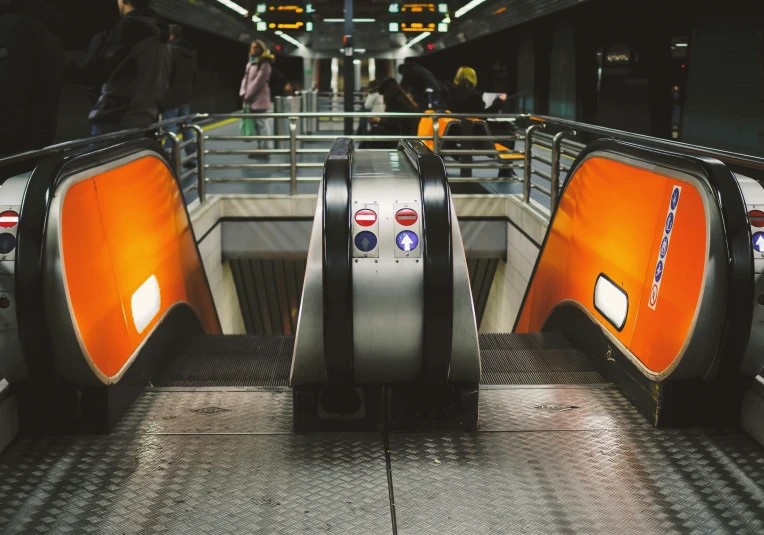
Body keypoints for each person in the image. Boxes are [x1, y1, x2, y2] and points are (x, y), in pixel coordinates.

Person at [82, 0, 171, 136]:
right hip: (146, 117)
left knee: (100, 156)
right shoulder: (161, 35)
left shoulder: (129, 28)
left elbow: (100, 70)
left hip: (116, 119)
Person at [0, 0, 64, 158]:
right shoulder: (46, 26)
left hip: (10, 153)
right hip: (33, 146)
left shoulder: (14, 25)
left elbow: (7, 97)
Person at [161, 24, 198, 167]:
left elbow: (166, 74)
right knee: (186, 127)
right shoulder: (191, 51)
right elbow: (195, 74)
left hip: (171, 96)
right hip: (185, 95)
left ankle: (167, 159)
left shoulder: (169, 50)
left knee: (169, 128)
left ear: (171, 35)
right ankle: (192, 156)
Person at [359, 77, 417, 149]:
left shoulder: (396, 101)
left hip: (400, 133)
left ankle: (361, 151)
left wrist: (378, 120)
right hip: (403, 132)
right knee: (374, 132)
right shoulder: (401, 98)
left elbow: (393, 121)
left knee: (374, 131)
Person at [239, 39, 273, 159]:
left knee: (262, 124)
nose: (253, 49)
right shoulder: (251, 62)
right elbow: (245, 79)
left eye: (256, 48)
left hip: (259, 98)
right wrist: (243, 92)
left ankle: (267, 148)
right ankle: (260, 147)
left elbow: (259, 82)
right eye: (252, 47)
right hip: (251, 99)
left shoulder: (264, 64)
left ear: (262, 49)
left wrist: (248, 95)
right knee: (257, 126)